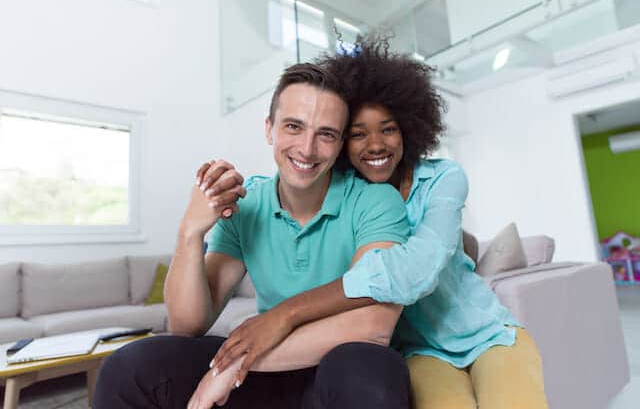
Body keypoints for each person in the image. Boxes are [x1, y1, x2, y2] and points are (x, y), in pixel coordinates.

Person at [207, 35, 549, 409]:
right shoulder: (350, 202)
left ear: (408, 128)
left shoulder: (442, 178)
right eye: (357, 133)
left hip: (486, 335)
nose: (375, 145)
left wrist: (285, 315)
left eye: (387, 128)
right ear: (338, 143)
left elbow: (416, 270)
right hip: (419, 352)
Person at [93, 63, 411, 409]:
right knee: (128, 368)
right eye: (293, 127)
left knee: (372, 378)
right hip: (265, 376)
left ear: (339, 145)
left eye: (326, 134)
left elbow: (374, 323)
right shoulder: (248, 203)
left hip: (333, 369)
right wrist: (191, 231)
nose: (307, 148)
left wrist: (234, 364)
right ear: (269, 128)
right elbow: (187, 324)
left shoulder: (376, 201)